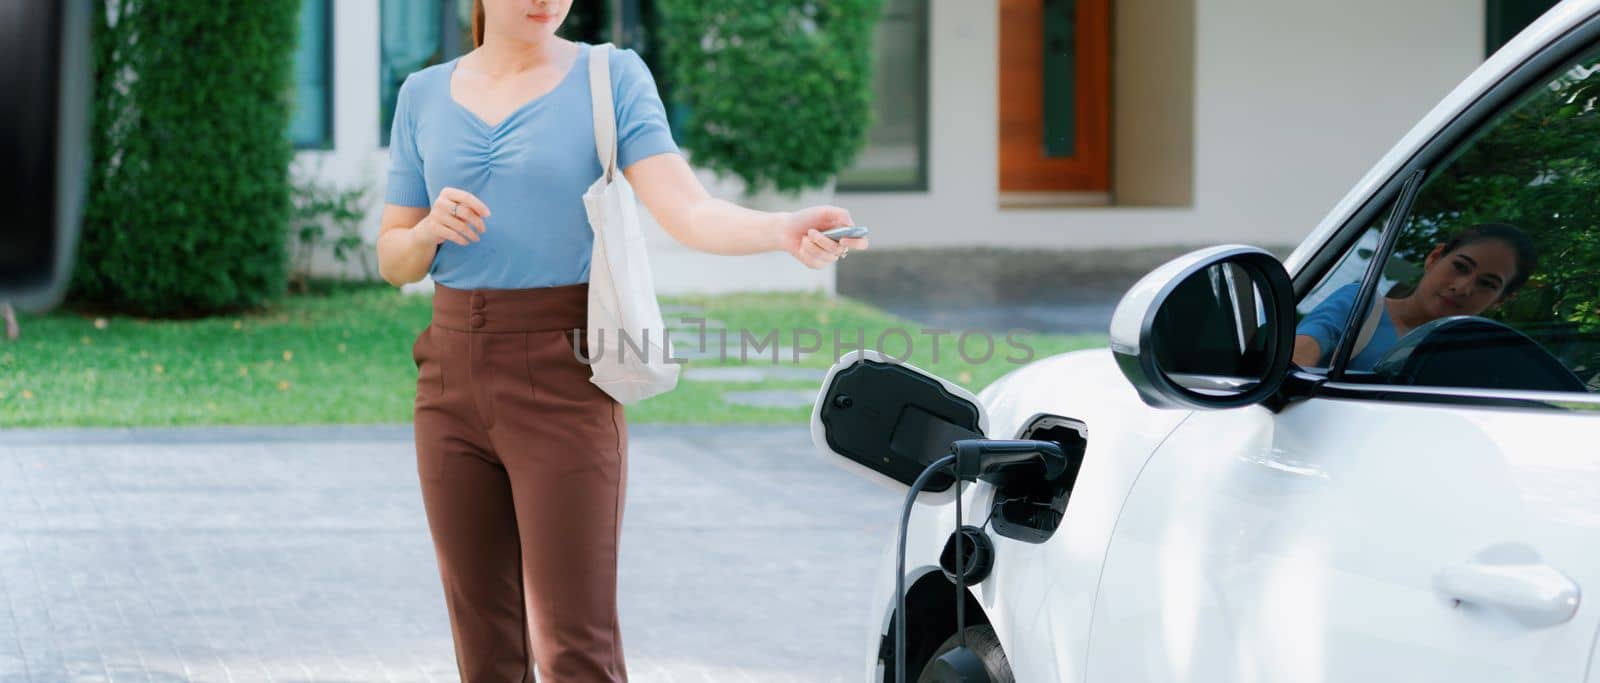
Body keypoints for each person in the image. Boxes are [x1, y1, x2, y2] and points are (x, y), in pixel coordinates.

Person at [374, 1, 869, 680]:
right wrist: (428, 231)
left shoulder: (610, 77)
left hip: (564, 376)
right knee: (483, 648)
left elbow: (688, 210)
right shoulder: (422, 95)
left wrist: (780, 229)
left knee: (576, 649)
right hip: (449, 377)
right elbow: (393, 257)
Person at [1293, 223, 1536, 370]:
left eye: (1487, 284)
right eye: (1460, 267)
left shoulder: (1471, 359)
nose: (1463, 288)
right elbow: (1299, 355)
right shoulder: (1358, 304)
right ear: (1434, 257)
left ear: (1500, 300)